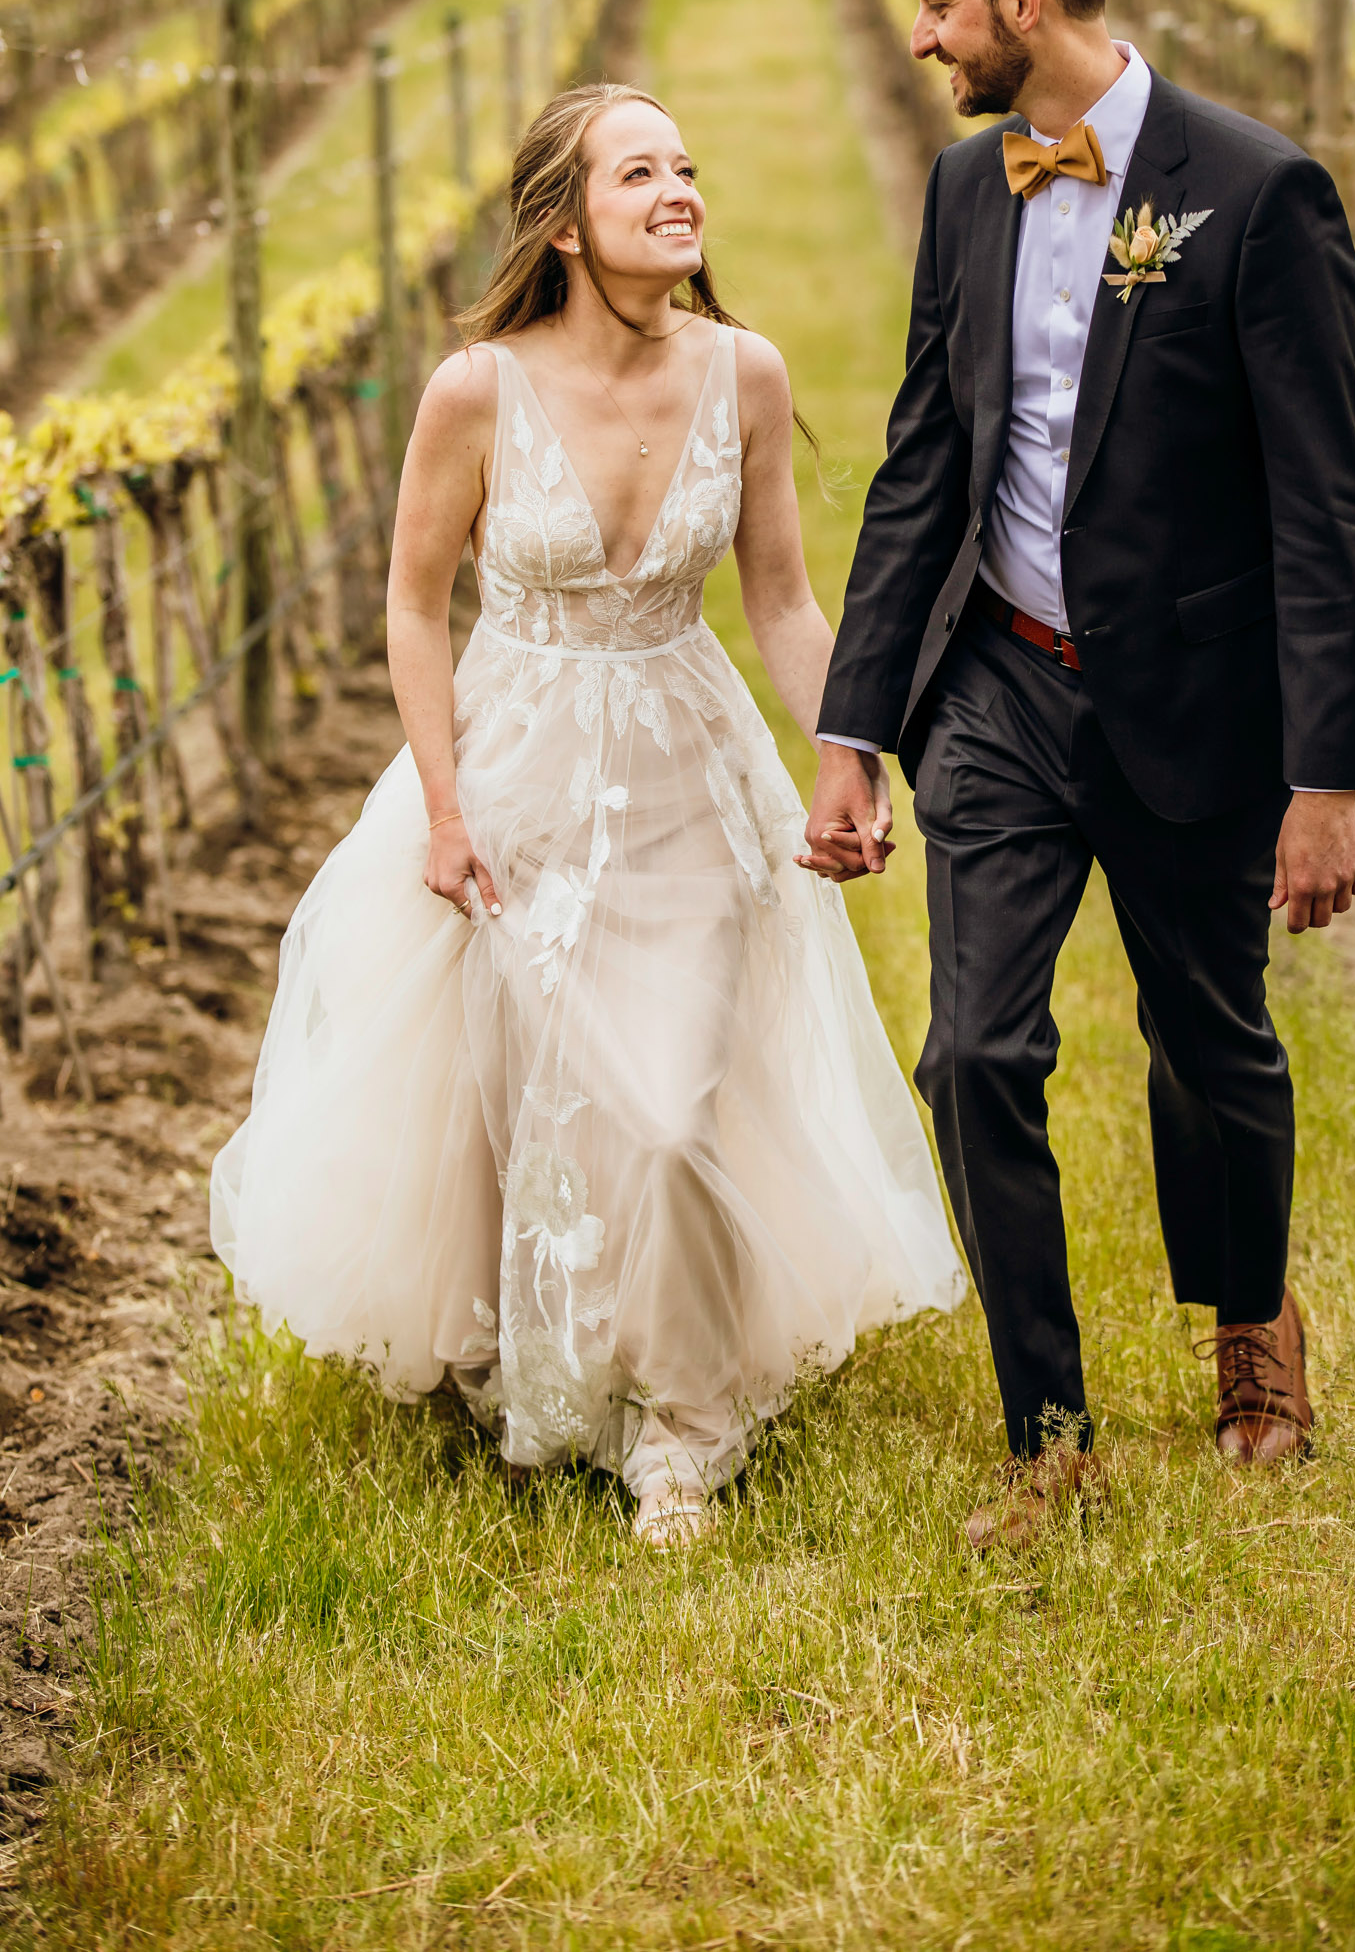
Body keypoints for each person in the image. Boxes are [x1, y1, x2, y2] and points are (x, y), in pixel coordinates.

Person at [211, 83, 964, 1547]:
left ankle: (684, 1427)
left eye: (688, 164)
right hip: (517, 768)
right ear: (564, 226)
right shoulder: (476, 390)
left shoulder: (743, 371)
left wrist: (846, 756)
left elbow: (785, 600)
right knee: (536, 1098)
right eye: (640, 174)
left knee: (670, 1109)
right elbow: (415, 609)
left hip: (686, 764)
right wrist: (441, 805)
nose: (680, 190)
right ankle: (538, 1370)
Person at [804, 0, 1355, 1550]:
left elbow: (1324, 504)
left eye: (936, 3)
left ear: (1023, 4)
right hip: (1001, 683)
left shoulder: (1261, 196)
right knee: (973, 1051)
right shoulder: (966, 189)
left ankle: (1252, 1334)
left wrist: (1324, 775)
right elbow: (926, 461)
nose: (922, 37)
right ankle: (1045, 1429)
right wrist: (855, 732)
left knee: (1210, 1042)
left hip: (1195, 696)